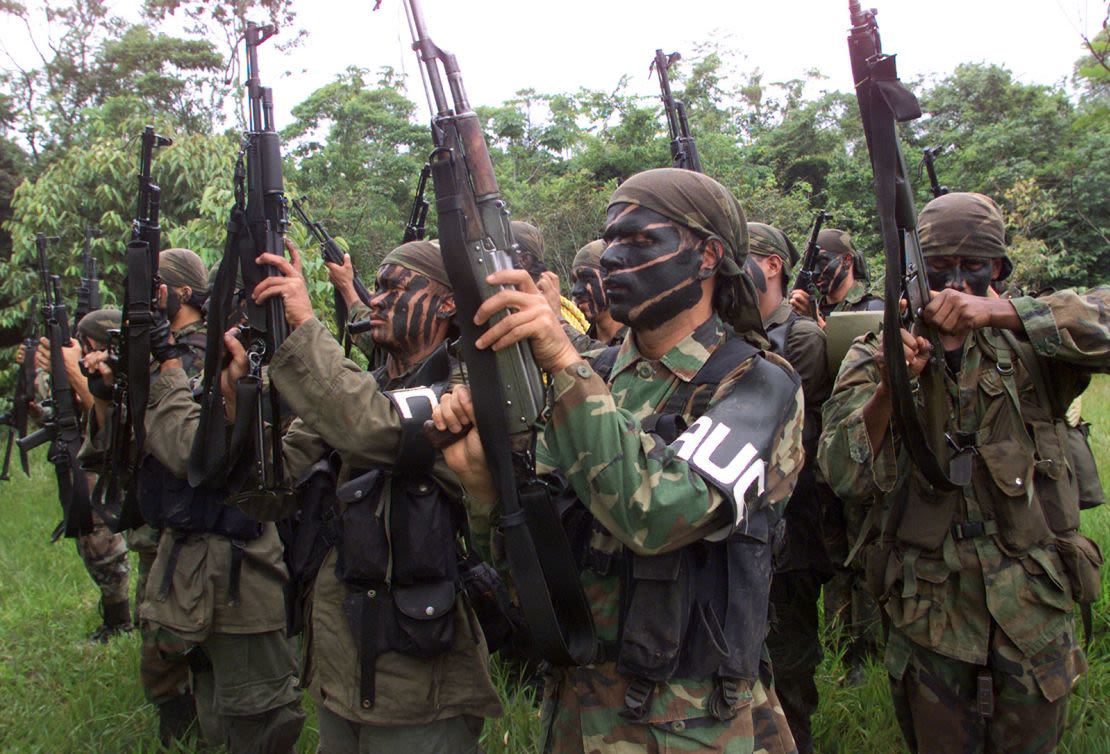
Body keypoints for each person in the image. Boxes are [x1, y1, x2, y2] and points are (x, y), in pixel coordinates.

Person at [433, 168, 804, 753]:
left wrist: (562, 361)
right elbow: (529, 575)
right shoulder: (594, 377)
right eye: (609, 241)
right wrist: (483, 490)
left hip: (698, 730)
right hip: (577, 717)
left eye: (638, 241)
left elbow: (659, 514)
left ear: (707, 257)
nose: (610, 259)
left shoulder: (756, 384)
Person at [818, 192, 1106, 753]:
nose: (954, 284)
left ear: (998, 268)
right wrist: (890, 388)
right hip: (930, 613)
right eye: (939, 269)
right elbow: (842, 473)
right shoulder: (881, 347)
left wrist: (1006, 313)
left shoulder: (1031, 341)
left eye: (973, 267)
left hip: (1032, 608)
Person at [230, 239, 502, 753]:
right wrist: (240, 394)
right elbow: (269, 489)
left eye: (393, 289)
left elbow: (378, 431)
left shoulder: (465, 391)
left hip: (421, 679)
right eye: (373, 288)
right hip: (341, 664)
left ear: (447, 304)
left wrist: (305, 328)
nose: (373, 300)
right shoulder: (367, 384)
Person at [138, 247, 303, 751]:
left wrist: (167, 362)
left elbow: (192, 449)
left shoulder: (266, 365)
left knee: (258, 719)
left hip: (242, 568)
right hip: (196, 562)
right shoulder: (220, 360)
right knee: (219, 708)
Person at [745, 223, 833, 754]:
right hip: (744, 529)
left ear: (772, 265)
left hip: (793, 533)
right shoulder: (731, 336)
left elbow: (783, 427)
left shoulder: (801, 337)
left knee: (790, 668)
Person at [31, 309, 133, 642]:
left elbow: (109, 421)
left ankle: (121, 619)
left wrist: (75, 374)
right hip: (85, 465)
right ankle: (115, 615)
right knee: (91, 541)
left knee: (103, 544)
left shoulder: (118, 376)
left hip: (106, 473)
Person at [789, 228, 882, 325]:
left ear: (847, 260)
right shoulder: (811, 310)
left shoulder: (872, 310)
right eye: (811, 265)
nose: (815, 272)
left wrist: (816, 321)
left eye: (822, 261)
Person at [567, 239, 627, 351]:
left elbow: (612, 360)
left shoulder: (639, 341)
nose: (576, 290)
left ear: (613, 281)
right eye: (575, 281)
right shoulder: (584, 339)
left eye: (586, 278)